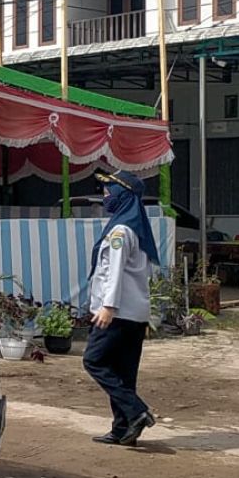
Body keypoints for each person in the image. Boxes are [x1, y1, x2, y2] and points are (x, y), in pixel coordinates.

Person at [83, 170, 160, 447]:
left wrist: (108, 306)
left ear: (122, 195)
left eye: (109, 191)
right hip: (135, 313)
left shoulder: (120, 231)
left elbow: (114, 272)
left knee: (93, 361)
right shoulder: (137, 228)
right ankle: (123, 429)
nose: (105, 196)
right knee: (124, 372)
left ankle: (137, 411)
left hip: (117, 312)